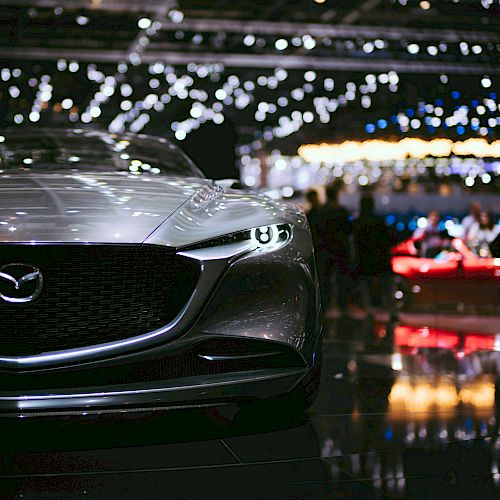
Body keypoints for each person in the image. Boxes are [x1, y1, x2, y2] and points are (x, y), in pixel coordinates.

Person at [352, 194, 397, 320]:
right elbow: (388, 239)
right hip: (381, 257)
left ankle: (369, 311)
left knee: (365, 286)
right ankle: (393, 312)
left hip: (365, 258)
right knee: (387, 286)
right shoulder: (379, 221)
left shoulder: (358, 222)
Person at [314, 183, 351, 314]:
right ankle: (343, 307)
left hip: (325, 249)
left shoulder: (320, 211)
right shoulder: (341, 211)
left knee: (324, 281)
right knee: (342, 280)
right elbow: (347, 230)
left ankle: (324, 307)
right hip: (339, 249)